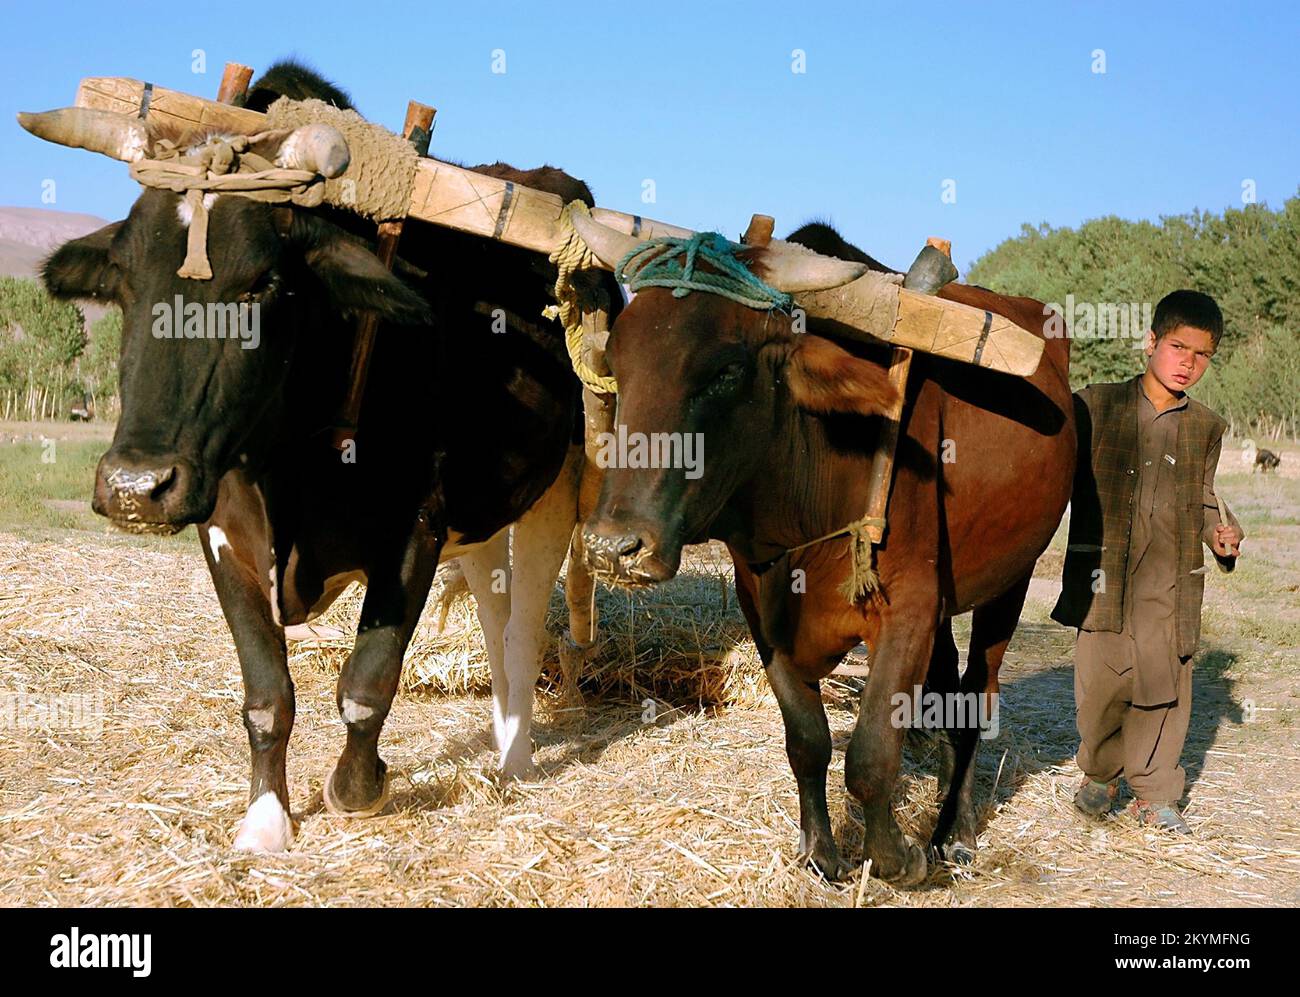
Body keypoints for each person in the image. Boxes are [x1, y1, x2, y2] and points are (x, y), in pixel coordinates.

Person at [1052, 290, 1244, 834]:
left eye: (1202, 354)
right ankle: (1100, 773)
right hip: (1103, 581)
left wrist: (1223, 535)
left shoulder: (1207, 426)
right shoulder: (1095, 405)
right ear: (1150, 342)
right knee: (1101, 687)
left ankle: (1156, 792)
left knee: (1165, 688)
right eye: (1178, 346)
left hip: (1170, 582)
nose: (1188, 362)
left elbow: (1206, 497)